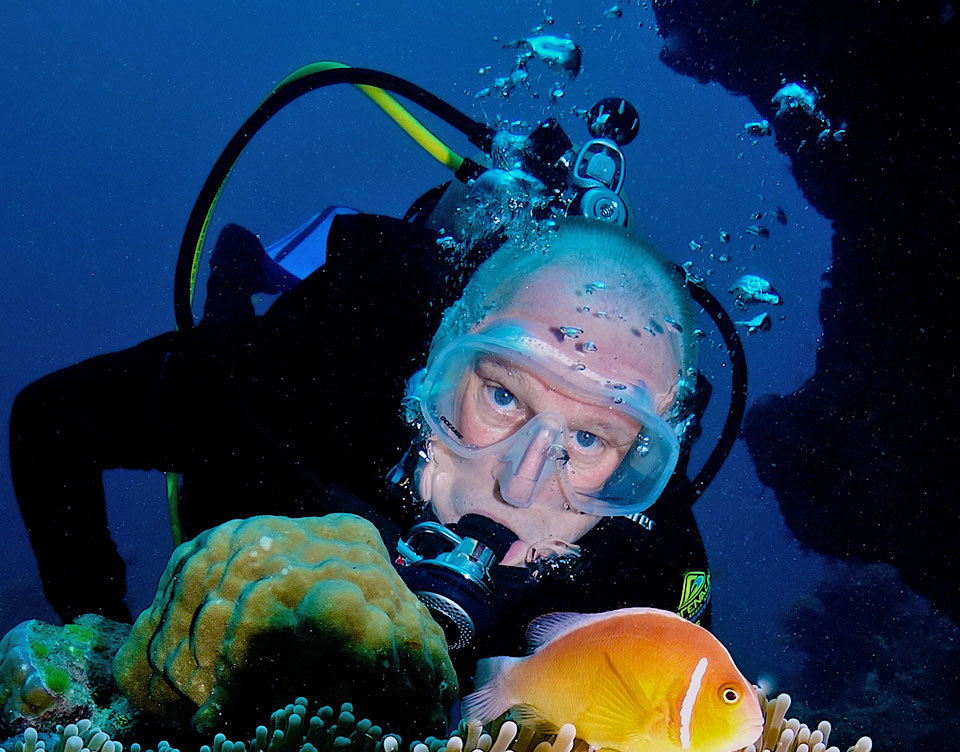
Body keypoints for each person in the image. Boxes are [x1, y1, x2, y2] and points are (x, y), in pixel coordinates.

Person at [10, 100, 720, 674]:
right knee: (230, 359)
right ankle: (243, 273)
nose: (521, 484)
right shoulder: (314, 378)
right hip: (301, 381)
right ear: (440, 362)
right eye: (503, 397)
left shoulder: (648, 567)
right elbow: (48, 419)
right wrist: (95, 636)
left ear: (640, 466)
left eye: (590, 438)